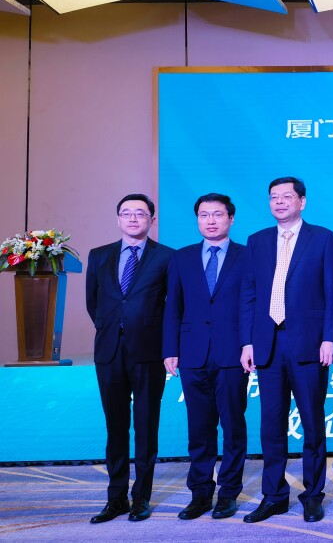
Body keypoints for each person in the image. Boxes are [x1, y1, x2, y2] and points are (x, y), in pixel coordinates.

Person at [239, 176, 333, 523]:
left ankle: (313, 495)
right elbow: (249, 294)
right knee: (271, 427)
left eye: (286, 196)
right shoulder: (257, 241)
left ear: (302, 201)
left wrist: (330, 337)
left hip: (310, 344)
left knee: (312, 424)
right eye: (273, 197)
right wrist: (248, 341)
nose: (279, 202)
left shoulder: (323, 239)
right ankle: (274, 496)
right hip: (268, 344)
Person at [86, 193, 174, 523]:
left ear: (152, 219)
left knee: (146, 427)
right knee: (116, 428)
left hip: (149, 352)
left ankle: (141, 498)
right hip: (109, 351)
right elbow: (93, 303)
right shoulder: (99, 256)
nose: (133, 218)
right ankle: (116, 498)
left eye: (140, 213)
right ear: (118, 219)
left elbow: (172, 306)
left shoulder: (167, 257)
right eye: (127, 213)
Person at [162, 193, 249, 520]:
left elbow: (250, 305)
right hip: (192, 353)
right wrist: (170, 349)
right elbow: (173, 307)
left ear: (230, 219)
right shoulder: (181, 258)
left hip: (233, 354)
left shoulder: (247, 255)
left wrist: (249, 344)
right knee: (198, 428)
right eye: (204, 215)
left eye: (217, 214)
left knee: (232, 426)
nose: (210, 220)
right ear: (197, 219)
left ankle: (228, 493)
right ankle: (200, 493)